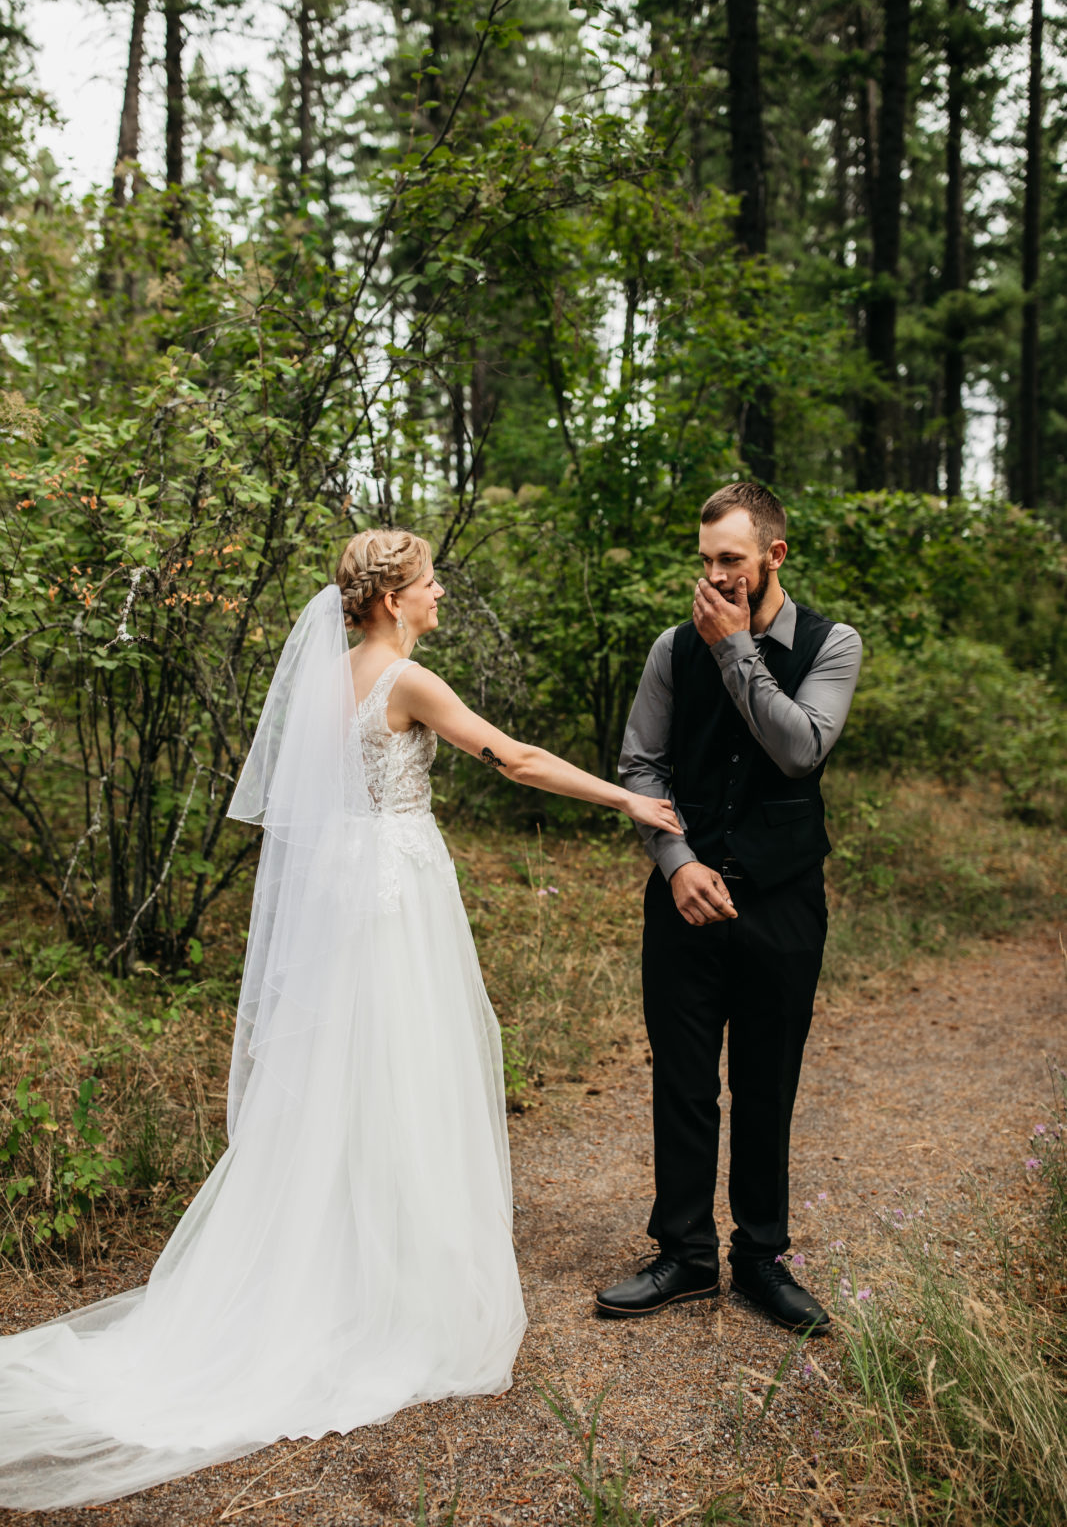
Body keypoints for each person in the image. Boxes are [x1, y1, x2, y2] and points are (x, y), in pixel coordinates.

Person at [0, 529, 681, 1511]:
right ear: (396, 595)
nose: (442, 592)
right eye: (431, 581)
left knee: (342, 1081)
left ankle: (351, 1266)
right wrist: (629, 799)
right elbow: (514, 757)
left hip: (339, 893)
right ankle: (390, 1292)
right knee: (404, 1070)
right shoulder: (406, 680)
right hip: (392, 898)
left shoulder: (322, 680)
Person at [595, 483, 862, 1334]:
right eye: (706, 560)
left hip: (783, 905)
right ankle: (684, 1255)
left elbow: (798, 749)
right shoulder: (671, 649)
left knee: (765, 1081)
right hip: (682, 902)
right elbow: (640, 767)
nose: (713, 577)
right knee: (681, 1082)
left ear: (773, 556)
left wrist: (738, 650)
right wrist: (675, 864)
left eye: (731, 561)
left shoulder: (832, 645)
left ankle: (760, 1260)